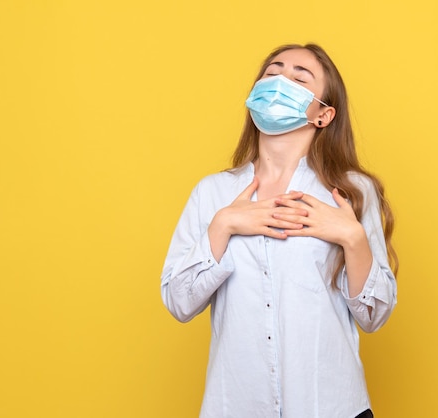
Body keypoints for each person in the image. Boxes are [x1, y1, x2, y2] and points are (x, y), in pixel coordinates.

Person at [161, 43, 398, 418]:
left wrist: (352, 238)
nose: (279, 82)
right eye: (272, 73)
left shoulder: (351, 192)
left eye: (299, 77)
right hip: (235, 406)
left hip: (331, 407)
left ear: (323, 114)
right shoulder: (213, 193)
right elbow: (179, 302)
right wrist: (224, 225)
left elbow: (374, 316)